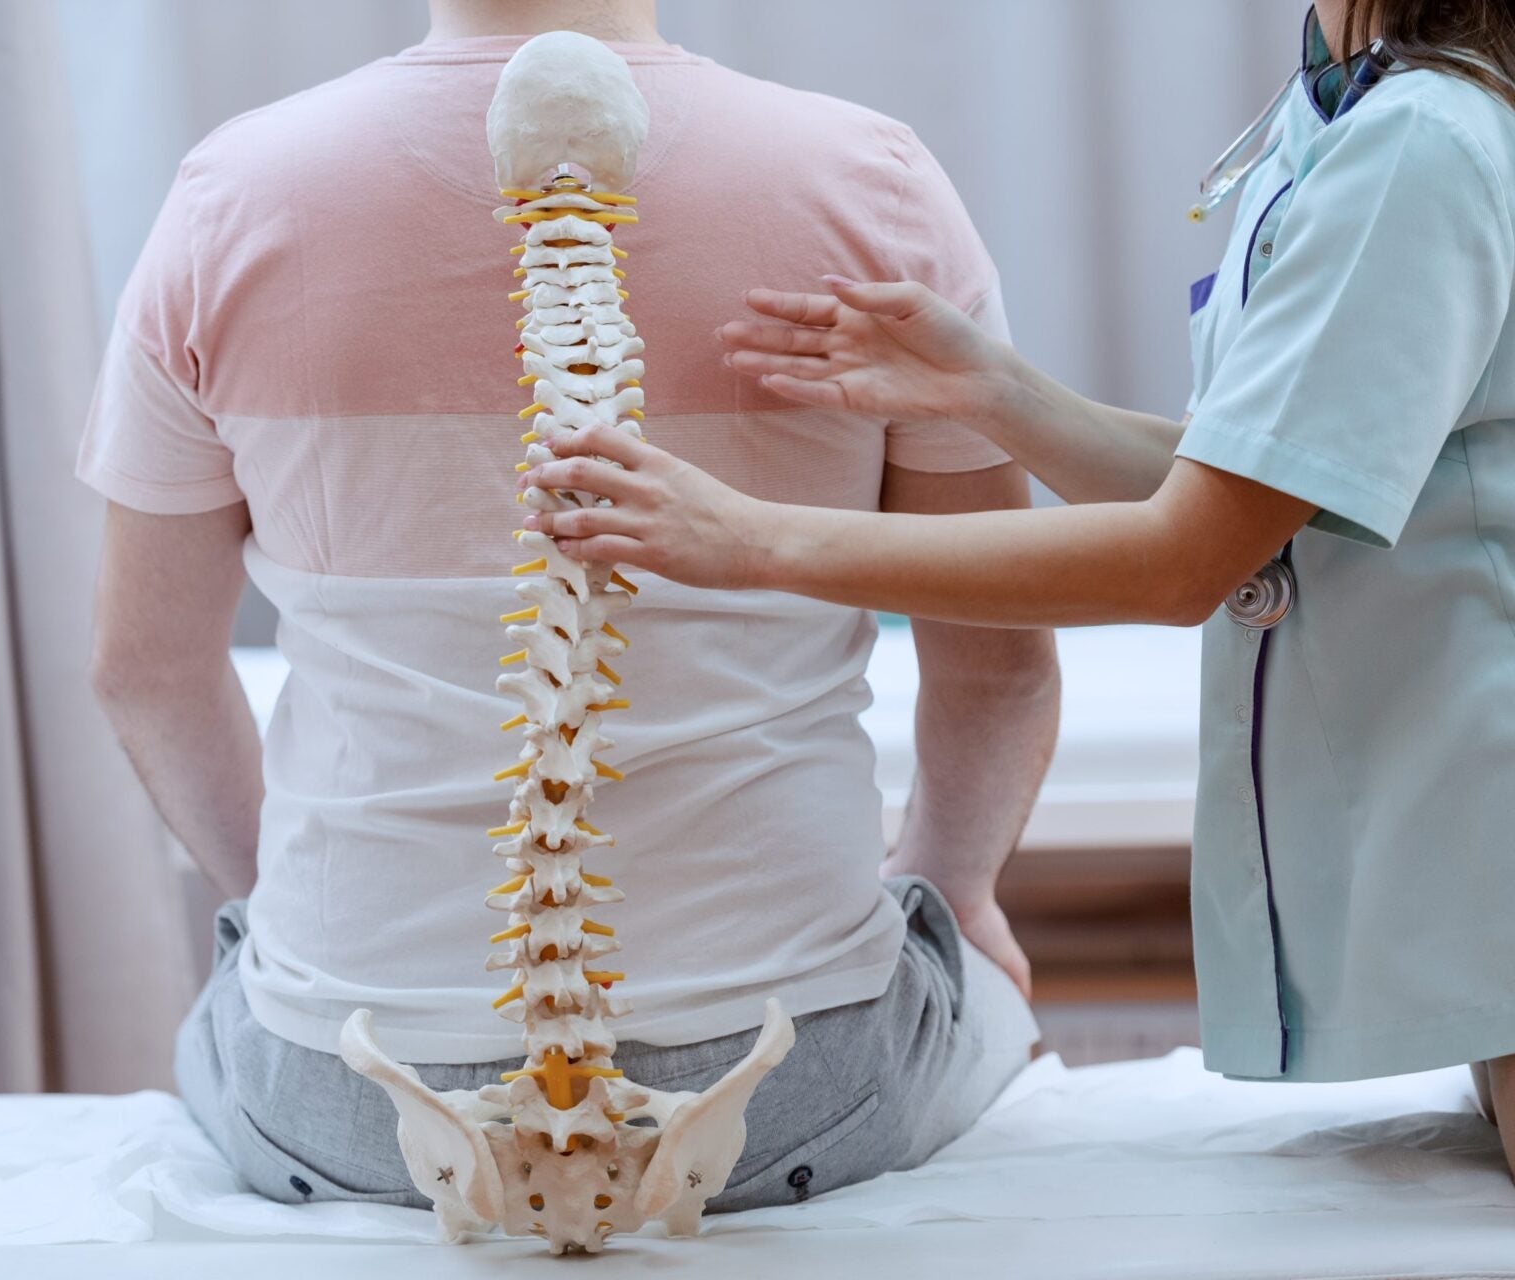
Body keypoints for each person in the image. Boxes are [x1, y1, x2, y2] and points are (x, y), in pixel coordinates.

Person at [82, 0, 1057, 1210]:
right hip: (791, 1080)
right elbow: (999, 661)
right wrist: (955, 891)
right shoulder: (875, 181)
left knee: (236, 989)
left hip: (346, 1088)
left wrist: (288, 915)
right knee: (976, 978)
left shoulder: (229, 195)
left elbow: (147, 666)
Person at [522, 0, 1515, 1174]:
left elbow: (1183, 559)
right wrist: (991, 390)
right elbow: (1256, 482)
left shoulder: (1423, 140)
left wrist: (752, 541)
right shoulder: (1351, 116)